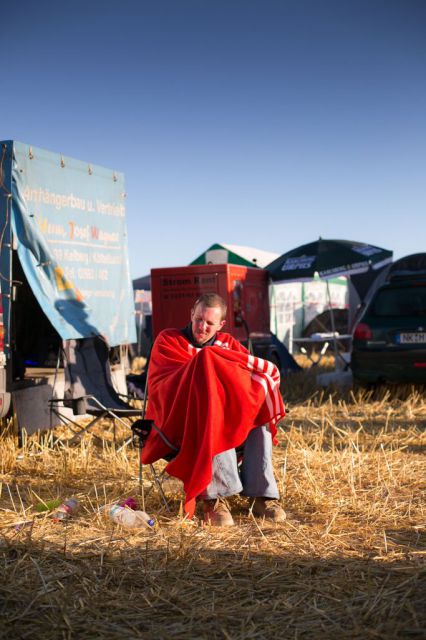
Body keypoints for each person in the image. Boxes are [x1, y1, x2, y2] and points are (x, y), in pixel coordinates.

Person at [141, 293, 286, 526]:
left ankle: (263, 496)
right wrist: (204, 371)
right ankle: (215, 498)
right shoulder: (168, 340)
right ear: (191, 315)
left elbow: (247, 381)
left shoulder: (228, 345)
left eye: (209, 323)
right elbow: (161, 388)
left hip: (224, 418)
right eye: (198, 319)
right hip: (176, 422)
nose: (202, 327)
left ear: (221, 325)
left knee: (258, 416)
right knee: (209, 405)